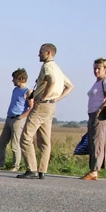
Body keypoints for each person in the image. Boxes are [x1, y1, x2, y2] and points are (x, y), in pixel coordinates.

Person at [17, 43, 73, 180]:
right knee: (44, 141)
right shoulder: (57, 68)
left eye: (40, 52)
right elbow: (70, 86)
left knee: (25, 137)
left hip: (42, 106)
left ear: (48, 53)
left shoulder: (47, 66)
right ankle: (42, 169)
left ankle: (31, 168)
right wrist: (55, 98)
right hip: (51, 107)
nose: (39, 55)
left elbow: (51, 80)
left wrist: (43, 97)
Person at [0, 68, 33, 171]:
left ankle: (15, 166)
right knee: (1, 143)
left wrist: (22, 117)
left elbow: (31, 107)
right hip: (9, 118)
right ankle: (0, 164)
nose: (12, 81)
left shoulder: (28, 91)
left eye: (14, 79)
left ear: (20, 78)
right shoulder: (15, 90)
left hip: (18, 119)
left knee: (15, 144)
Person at [82, 58, 106, 181]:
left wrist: (99, 110)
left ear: (105, 69)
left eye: (99, 68)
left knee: (97, 141)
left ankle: (94, 170)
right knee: (92, 141)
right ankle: (93, 169)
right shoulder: (97, 82)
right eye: (95, 68)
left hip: (98, 115)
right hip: (92, 114)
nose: (96, 71)